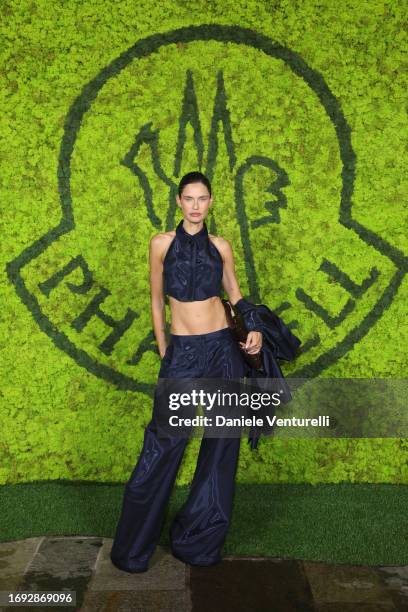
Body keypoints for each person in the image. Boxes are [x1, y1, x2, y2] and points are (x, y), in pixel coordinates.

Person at [110, 171, 264, 573]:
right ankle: (133, 549)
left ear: (211, 202)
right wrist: (166, 349)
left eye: (203, 199)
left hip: (221, 350)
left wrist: (254, 333)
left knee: (221, 445)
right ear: (178, 201)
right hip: (181, 352)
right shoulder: (160, 244)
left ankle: (199, 542)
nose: (196, 206)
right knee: (162, 444)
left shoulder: (221, 246)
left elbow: (236, 295)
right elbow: (156, 299)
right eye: (189, 198)